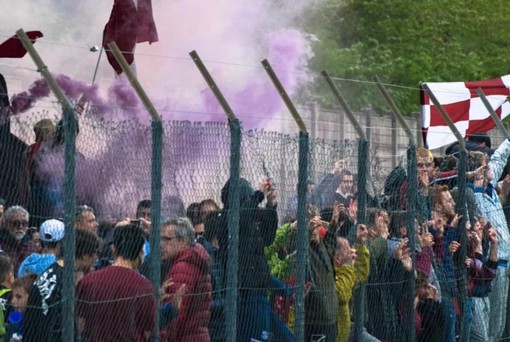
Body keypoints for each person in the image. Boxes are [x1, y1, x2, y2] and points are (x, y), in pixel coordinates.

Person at [216, 177, 279, 341]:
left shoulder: (250, 219)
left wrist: (271, 205)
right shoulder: (226, 218)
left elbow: (268, 237)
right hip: (241, 292)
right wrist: (258, 195)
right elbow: (240, 219)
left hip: (257, 290)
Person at [76, 224, 156, 341]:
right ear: (140, 252)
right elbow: (147, 330)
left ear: (113, 248)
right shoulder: (144, 287)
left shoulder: (88, 281)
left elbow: (80, 323)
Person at [24, 228, 100, 342]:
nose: (96, 259)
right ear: (85, 255)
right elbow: (58, 327)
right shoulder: (65, 282)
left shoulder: (50, 273)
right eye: (95, 253)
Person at [159, 217, 212, 341]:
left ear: (183, 241)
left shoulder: (183, 267)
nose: (161, 244)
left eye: (167, 239)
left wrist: (160, 338)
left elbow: (176, 315)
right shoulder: (195, 261)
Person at [0, 206, 36, 273]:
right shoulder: (1, 245)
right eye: (15, 223)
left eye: (24, 223)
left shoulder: (32, 246)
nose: (20, 227)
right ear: (6, 224)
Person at [5, 273, 37, 341]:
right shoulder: (15, 322)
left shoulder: (38, 325)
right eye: (13, 296)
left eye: (18, 297)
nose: (12, 301)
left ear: (32, 297)